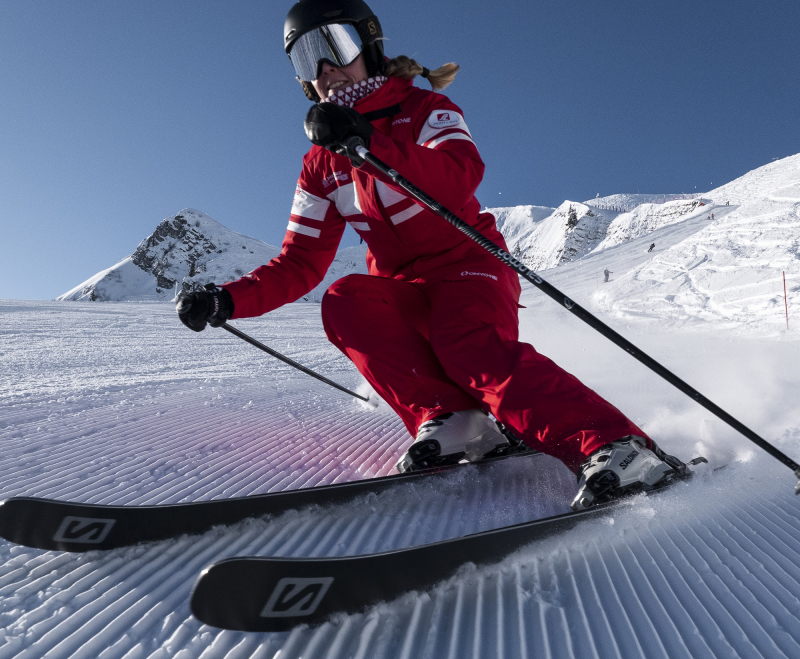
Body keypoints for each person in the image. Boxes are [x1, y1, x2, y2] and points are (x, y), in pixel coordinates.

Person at [176, 0, 686, 510]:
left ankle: (618, 446)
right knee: (345, 299)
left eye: (335, 44)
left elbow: (460, 175)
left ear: (370, 47)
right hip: (406, 289)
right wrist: (228, 299)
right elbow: (300, 261)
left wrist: (370, 142)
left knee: (465, 345)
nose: (325, 69)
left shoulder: (424, 110)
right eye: (306, 58)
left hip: (471, 267)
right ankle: (457, 421)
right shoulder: (320, 165)